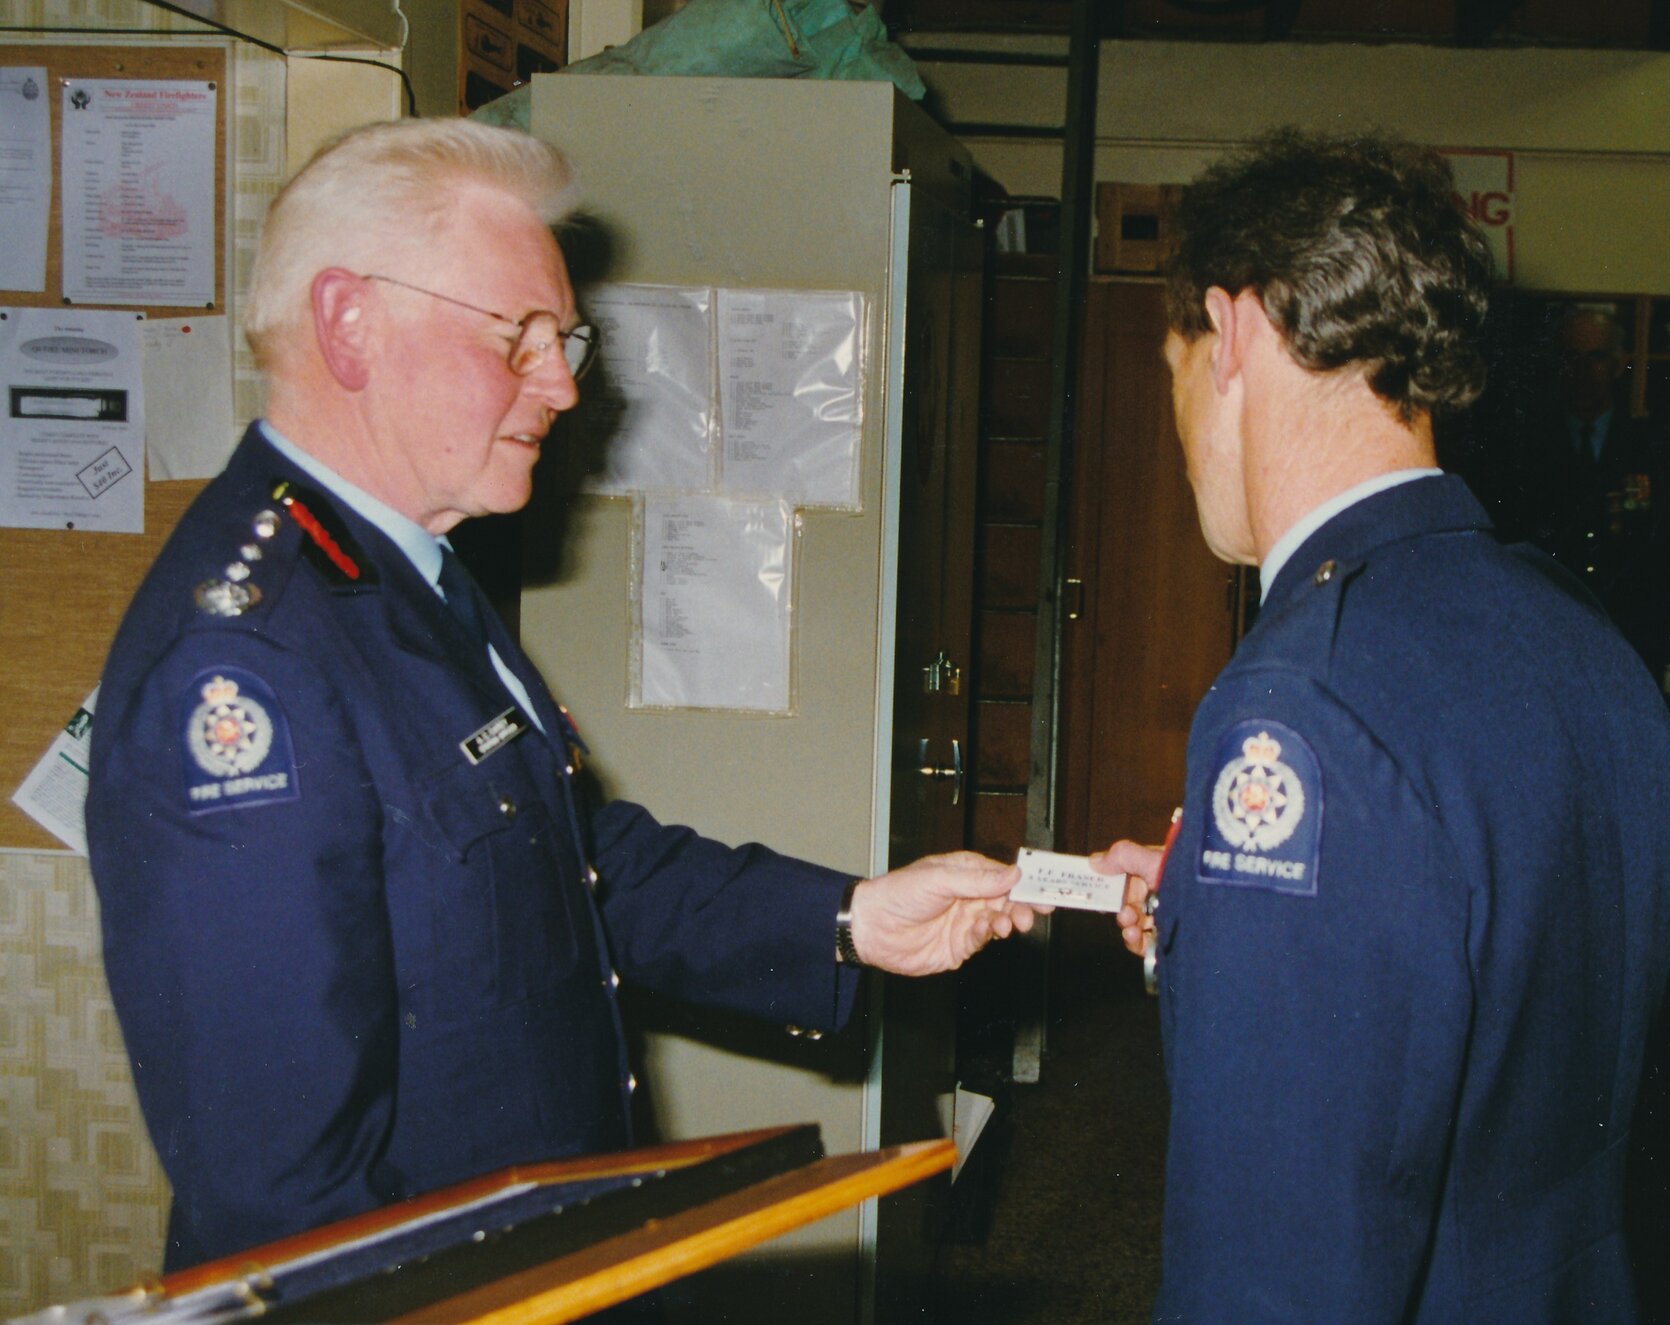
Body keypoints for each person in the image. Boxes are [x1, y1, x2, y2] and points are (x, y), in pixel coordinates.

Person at [84, 118, 1034, 1272]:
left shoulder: (405, 572)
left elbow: (574, 861)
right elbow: (286, 1195)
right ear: (350, 324)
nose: (562, 386)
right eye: (520, 335)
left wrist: (849, 917)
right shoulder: (248, 665)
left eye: (563, 338)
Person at [1094, 130, 1670, 1323]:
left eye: (1174, 363)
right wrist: (1210, 921)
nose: (1175, 429)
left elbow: (1274, 1271)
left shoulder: (1301, 698)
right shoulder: (1577, 637)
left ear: (1241, 331)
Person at [1481, 305, 1670, 673]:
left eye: (1597, 357)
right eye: (1571, 357)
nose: (1584, 371)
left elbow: (1665, 547)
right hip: (1550, 626)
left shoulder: (1653, 448)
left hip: (1628, 630)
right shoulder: (1521, 448)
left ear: (1619, 365)